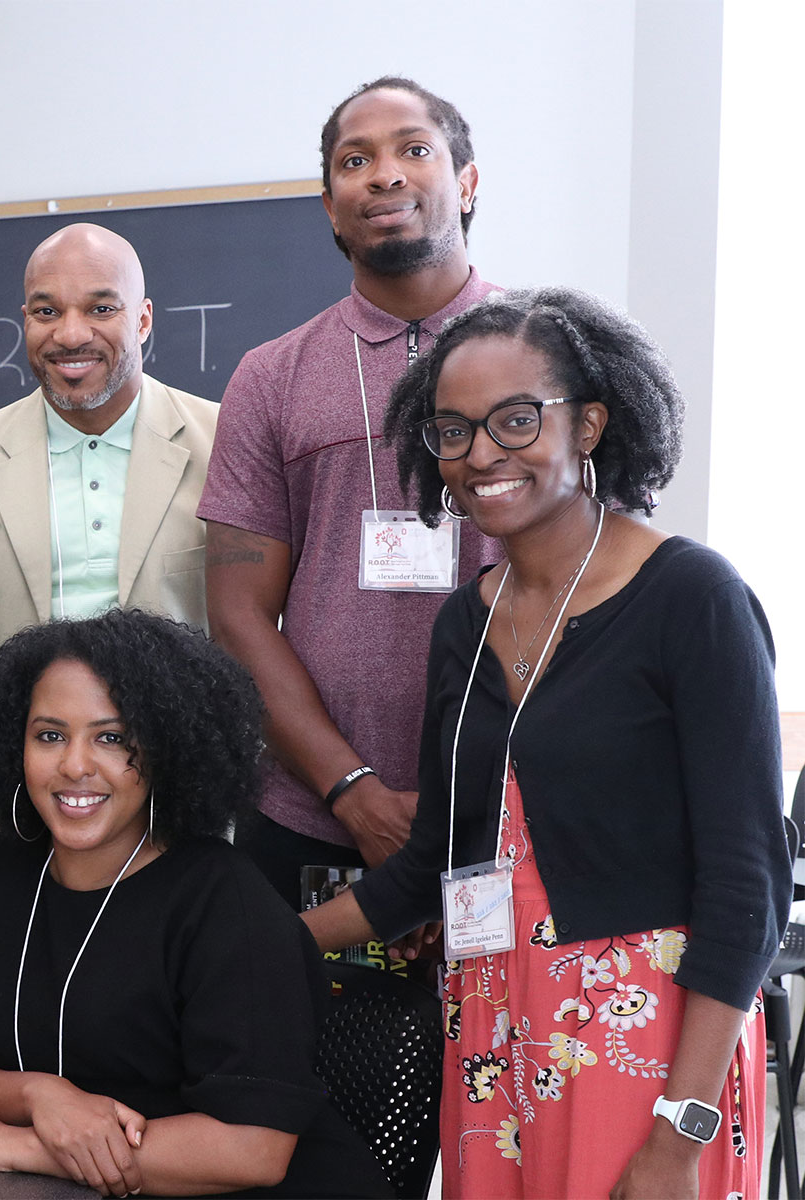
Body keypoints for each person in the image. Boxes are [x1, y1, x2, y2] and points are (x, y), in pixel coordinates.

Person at [303, 287, 787, 1197]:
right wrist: (261, 942)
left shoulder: (693, 599)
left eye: (515, 420)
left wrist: (680, 1137)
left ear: (590, 425)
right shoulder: (465, 625)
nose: (481, 453)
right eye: (452, 430)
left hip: (644, 1040)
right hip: (490, 1023)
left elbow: (748, 885)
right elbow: (429, 867)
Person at [0, 610, 390, 1199]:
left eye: (112, 738)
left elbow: (254, 1149)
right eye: (49, 735)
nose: (75, 765)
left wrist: (27, 1148)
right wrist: (40, 1096)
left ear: (166, 750)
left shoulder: (225, 903)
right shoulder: (4, 874)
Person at [198, 77, 502, 909]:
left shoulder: (547, 351)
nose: (383, 174)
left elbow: (604, 590)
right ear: (331, 208)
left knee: (498, 1041)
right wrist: (351, 789)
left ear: (467, 182)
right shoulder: (270, 377)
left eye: (414, 149)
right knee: (299, 1037)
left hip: (514, 811)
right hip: (310, 813)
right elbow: (238, 616)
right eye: (354, 160)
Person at [0, 222, 218, 665]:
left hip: (182, 733)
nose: (71, 335)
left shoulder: (227, 445)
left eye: (102, 309)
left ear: (144, 321)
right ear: (25, 321)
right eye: (47, 312)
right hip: (13, 732)